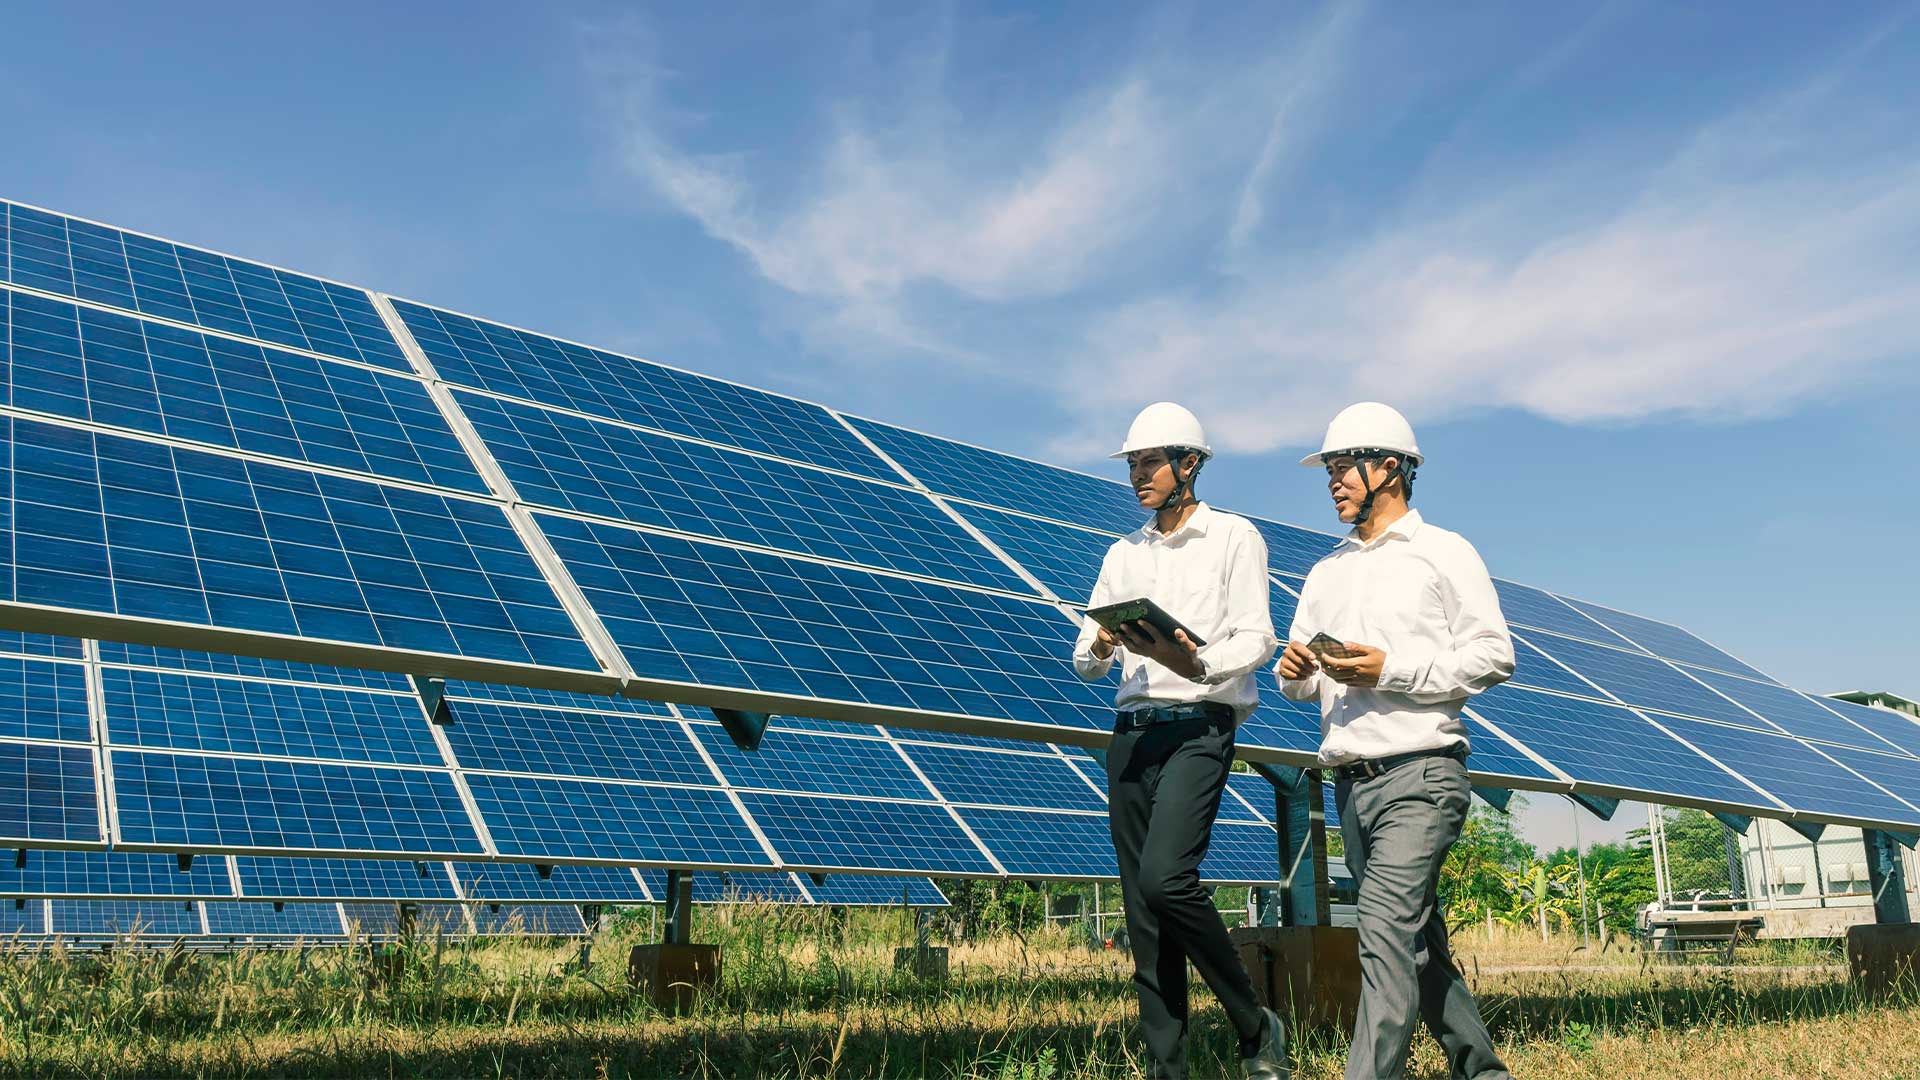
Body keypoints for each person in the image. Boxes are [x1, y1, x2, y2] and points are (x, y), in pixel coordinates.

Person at [1275, 402, 1514, 1080]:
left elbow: (1496, 654)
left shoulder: (1445, 552)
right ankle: (1483, 1072)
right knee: (1417, 946)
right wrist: (1295, 672)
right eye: (1327, 470)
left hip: (1423, 775)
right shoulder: (1326, 573)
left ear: (1390, 468)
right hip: (1350, 783)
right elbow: (1303, 686)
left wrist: (1394, 669)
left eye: (1341, 466)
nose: (1332, 481)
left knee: (1382, 933)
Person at [1073, 402, 1290, 1080]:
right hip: (1132, 735)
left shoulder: (1233, 538)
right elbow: (1084, 660)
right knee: (1143, 914)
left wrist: (1200, 662)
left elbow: (1258, 637)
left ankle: (1255, 1022)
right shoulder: (1122, 553)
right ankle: (1168, 1066)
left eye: (1149, 462)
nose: (1138, 474)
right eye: (1132, 463)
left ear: (1188, 464)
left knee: (1167, 881)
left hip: (1200, 724)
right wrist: (1103, 642)